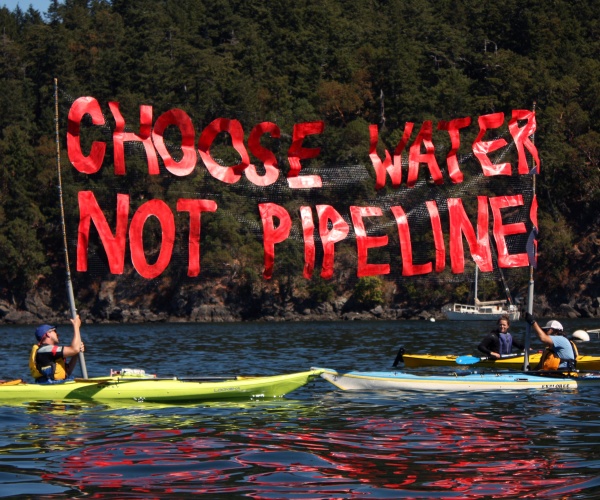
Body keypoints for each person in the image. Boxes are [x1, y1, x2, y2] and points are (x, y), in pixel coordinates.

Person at [29, 315, 85, 383]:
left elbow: (68, 371)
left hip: (58, 383)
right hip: (50, 385)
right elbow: (74, 349)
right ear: (48, 334)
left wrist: (76, 354)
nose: (57, 334)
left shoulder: (50, 351)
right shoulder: (45, 350)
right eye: (54, 331)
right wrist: (76, 327)